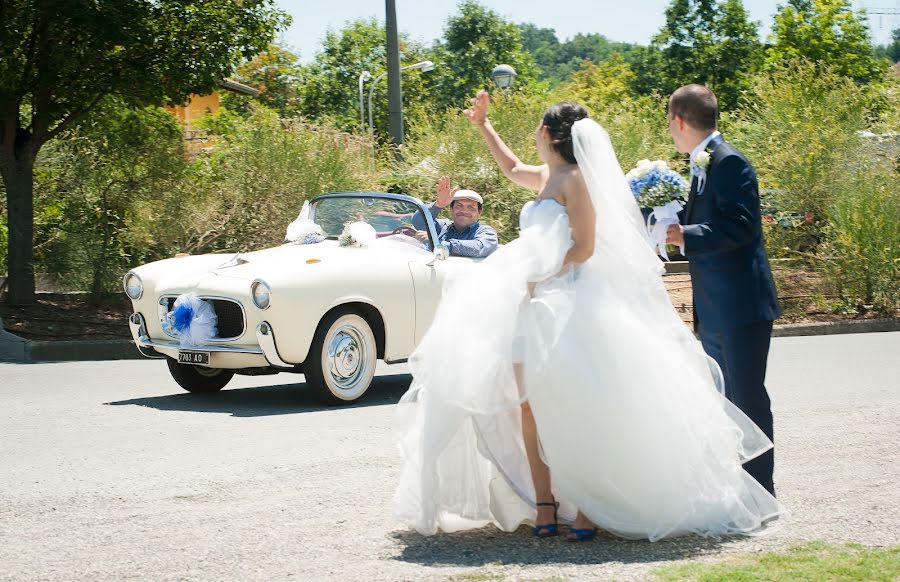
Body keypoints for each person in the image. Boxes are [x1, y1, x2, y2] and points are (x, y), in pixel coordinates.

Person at [393, 90, 783, 542]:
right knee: (528, 405)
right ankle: (544, 501)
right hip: (530, 304)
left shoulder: (576, 181)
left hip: (567, 304)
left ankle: (588, 505)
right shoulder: (545, 176)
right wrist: (483, 127)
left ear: (546, 133)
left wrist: (541, 275)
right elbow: (510, 168)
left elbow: (585, 246)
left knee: (571, 406)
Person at [665, 84, 781, 496]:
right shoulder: (704, 163)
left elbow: (742, 225)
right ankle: (737, 483)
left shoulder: (729, 162)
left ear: (680, 120)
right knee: (726, 400)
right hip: (714, 306)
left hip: (740, 303)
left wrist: (685, 233)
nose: (670, 132)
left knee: (747, 397)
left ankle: (760, 488)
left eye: (670, 123)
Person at [411, 176, 498, 258]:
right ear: (451, 209)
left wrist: (438, 243)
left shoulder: (486, 232)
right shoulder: (443, 226)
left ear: (479, 212)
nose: (464, 211)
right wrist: (438, 205)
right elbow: (418, 222)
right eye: (459, 206)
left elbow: (478, 248)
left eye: (470, 207)